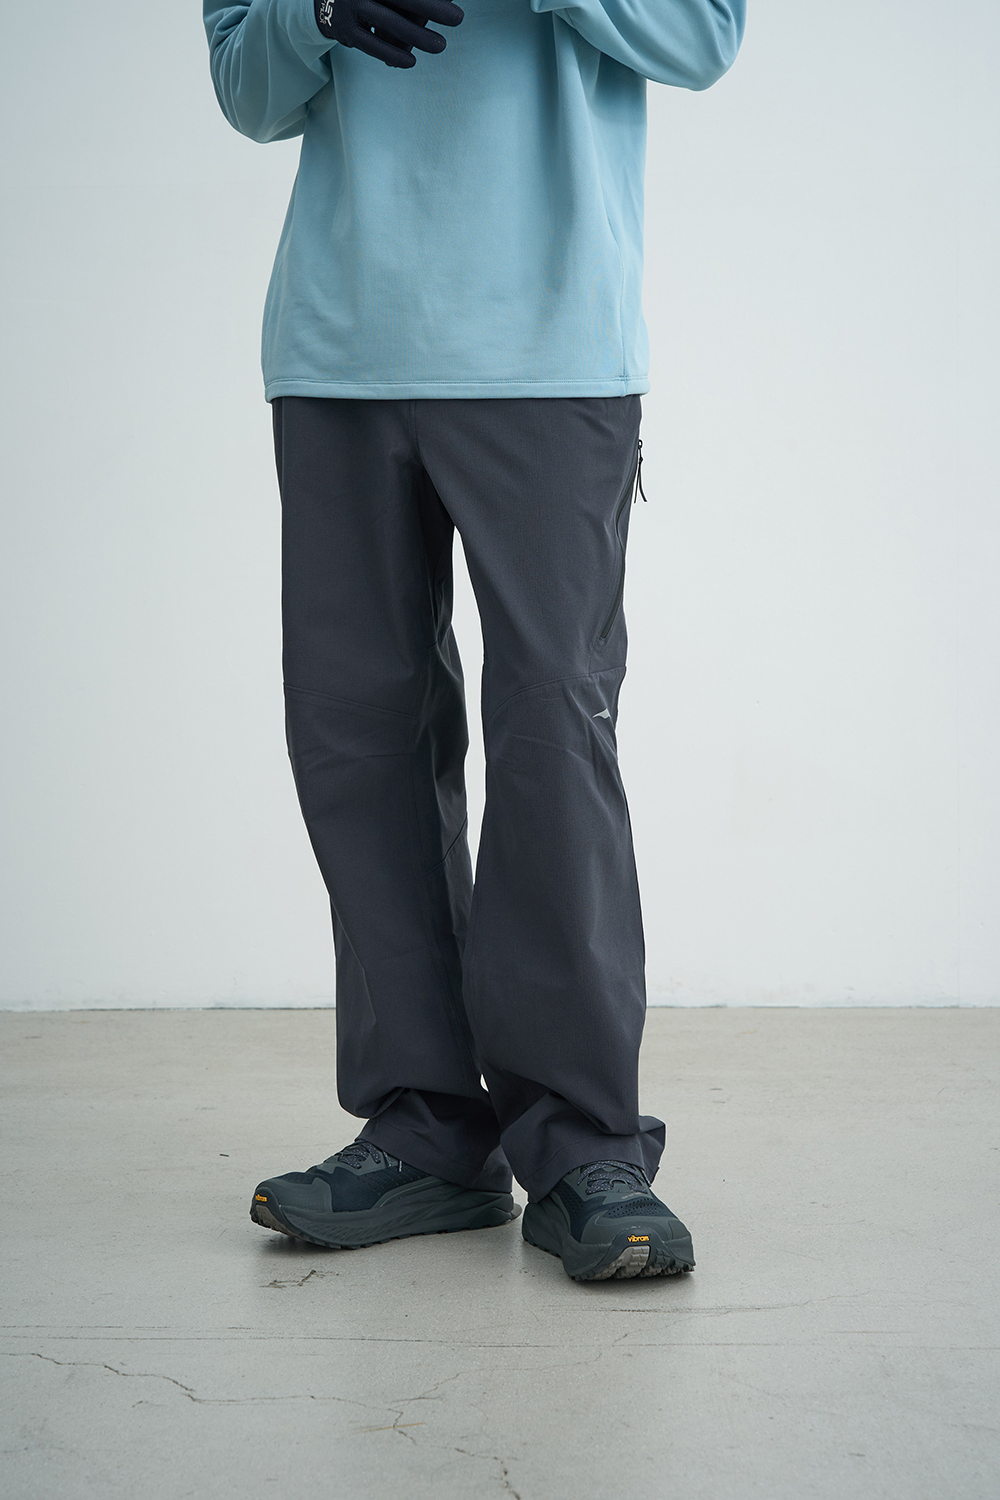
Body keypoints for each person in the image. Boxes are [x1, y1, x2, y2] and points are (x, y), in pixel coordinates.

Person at [204, 0, 745, 1282]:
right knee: (357, 738)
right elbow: (246, 86)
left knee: (554, 727)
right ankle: (428, 1130)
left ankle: (584, 1145)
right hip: (337, 347)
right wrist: (315, 10)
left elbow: (701, 38)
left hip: (550, 348)